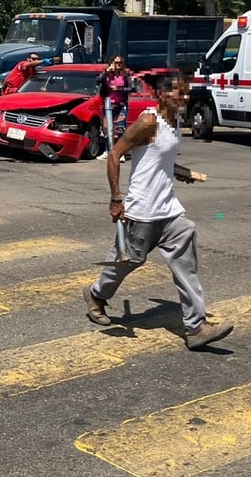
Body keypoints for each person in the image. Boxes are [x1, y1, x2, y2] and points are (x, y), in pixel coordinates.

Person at [83, 73, 233, 351]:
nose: (183, 98)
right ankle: (95, 294)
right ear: (162, 95)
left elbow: (158, 160)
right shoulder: (148, 122)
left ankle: (196, 326)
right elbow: (115, 154)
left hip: (169, 210)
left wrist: (180, 172)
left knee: (186, 263)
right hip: (142, 210)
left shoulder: (174, 121)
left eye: (186, 93)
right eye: (178, 92)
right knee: (128, 261)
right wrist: (116, 199)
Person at [96, 56, 130, 160]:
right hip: (108, 104)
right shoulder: (107, 75)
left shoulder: (125, 75)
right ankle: (107, 150)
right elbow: (98, 81)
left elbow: (131, 87)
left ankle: (120, 153)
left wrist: (119, 88)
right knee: (106, 128)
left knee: (120, 128)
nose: (118, 65)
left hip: (121, 104)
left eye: (120, 63)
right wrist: (106, 71)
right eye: (116, 63)